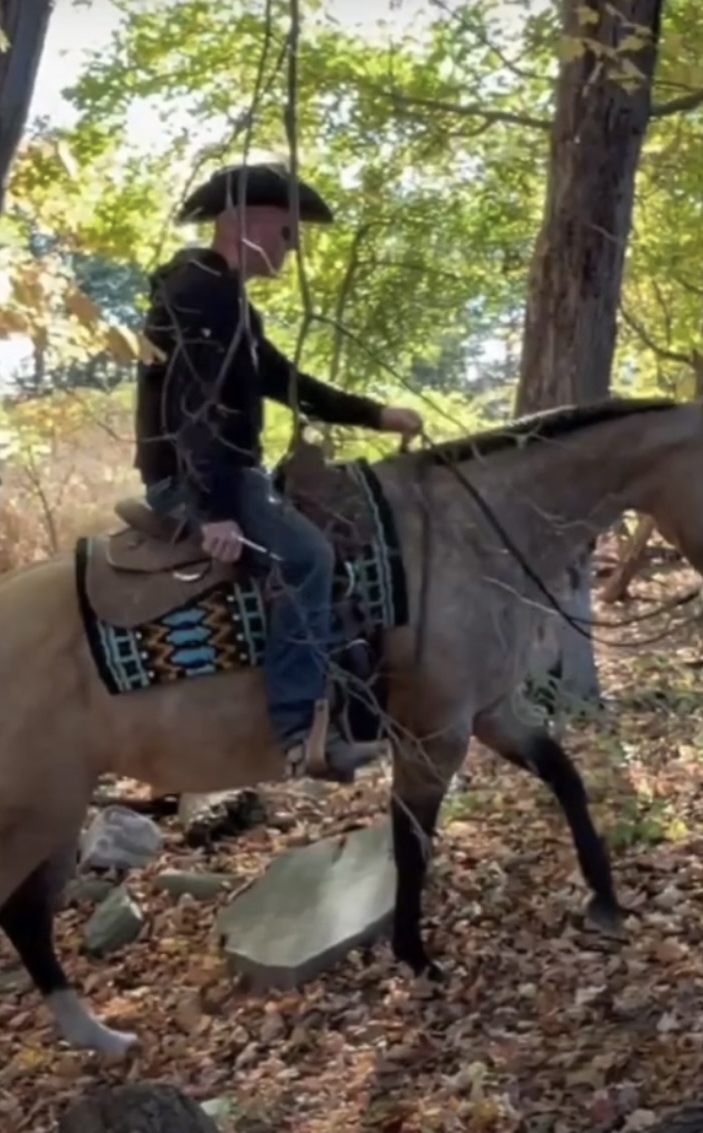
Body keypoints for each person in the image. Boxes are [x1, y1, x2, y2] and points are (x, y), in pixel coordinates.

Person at [133, 160, 424, 782]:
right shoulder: (199, 293)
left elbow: (285, 383)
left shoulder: (228, 302)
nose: (291, 251)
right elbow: (194, 403)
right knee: (308, 558)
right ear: (247, 224)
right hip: (196, 479)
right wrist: (211, 508)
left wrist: (376, 414)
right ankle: (298, 731)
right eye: (287, 234)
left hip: (228, 475)